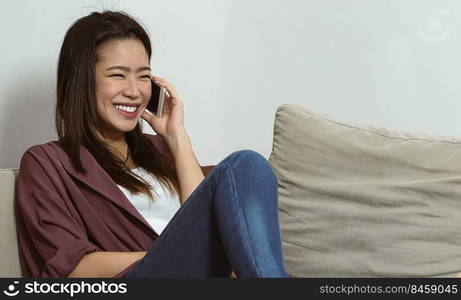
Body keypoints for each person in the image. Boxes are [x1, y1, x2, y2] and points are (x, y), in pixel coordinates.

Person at [14, 10, 288, 278]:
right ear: (82, 81)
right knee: (244, 164)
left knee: (250, 167)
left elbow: (202, 224)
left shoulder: (161, 151)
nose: (134, 91)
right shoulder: (48, 163)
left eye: (144, 76)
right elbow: (73, 268)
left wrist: (177, 138)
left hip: (196, 277)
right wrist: (171, 252)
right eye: (118, 75)